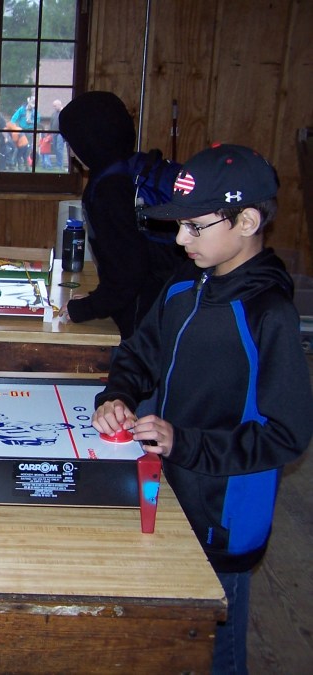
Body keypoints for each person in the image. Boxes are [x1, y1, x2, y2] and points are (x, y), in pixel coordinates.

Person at [91, 143, 313, 674]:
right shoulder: (184, 285)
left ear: (247, 222)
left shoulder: (270, 315)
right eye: (178, 226)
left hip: (224, 513)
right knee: (166, 628)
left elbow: (286, 433)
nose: (180, 239)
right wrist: (118, 396)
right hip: (167, 487)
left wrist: (184, 442)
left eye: (195, 227)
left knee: (216, 644)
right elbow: (139, 353)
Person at [57, 91, 184, 339]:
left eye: (72, 143)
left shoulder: (109, 189)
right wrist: (98, 299)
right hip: (167, 302)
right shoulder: (131, 167)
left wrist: (84, 309)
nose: (71, 153)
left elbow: (128, 274)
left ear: (91, 140)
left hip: (144, 319)